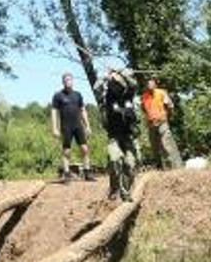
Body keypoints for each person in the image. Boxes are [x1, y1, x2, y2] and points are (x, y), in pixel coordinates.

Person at [96, 66, 141, 201]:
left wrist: (123, 73)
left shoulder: (129, 94)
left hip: (128, 136)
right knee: (115, 160)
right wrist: (106, 76)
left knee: (130, 164)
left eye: (118, 84)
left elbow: (134, 84)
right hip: (114, 136)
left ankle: (125, 191)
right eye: (113, 84)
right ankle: (114, 188)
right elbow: (97, 88)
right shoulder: (107, 97)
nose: (115, 86)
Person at [49, 72, 94, 181]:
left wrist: (87, 126)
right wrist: (54, 128)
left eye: (69, 80)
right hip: (66, 126)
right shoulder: (58, 96)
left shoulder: (78, 95)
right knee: (66, 151)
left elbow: (83, 110)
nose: (67, 82)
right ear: (63, 82)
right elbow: (54, 112)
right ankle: (66, 173)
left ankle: (87, 172)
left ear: (72, 81)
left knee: (84, 149)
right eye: (65, 80)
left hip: (78, 125)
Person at [141, 77, 183, 169]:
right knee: (154, 147)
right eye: (148, 84)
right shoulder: (144, 96)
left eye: (151, 83)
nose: (150, 85)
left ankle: (176, 166)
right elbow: (144, 109)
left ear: (155, 85)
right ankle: (159, 168)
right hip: (151, 123)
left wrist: (167, 116)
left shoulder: (161, 93)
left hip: (162, 121)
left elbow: (170, 106)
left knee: (167, 144)